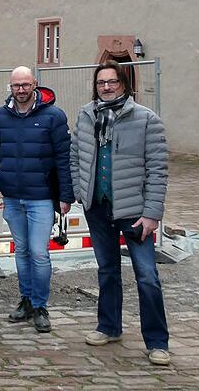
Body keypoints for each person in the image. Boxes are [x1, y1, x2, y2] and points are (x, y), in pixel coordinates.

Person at [70, 60, 170, 366]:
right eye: (101, 83)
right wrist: (80, 190)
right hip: (98, 207)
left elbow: (158, 170)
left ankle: (157, 341)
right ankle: (109, 326)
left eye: (112, 81)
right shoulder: (87, 116)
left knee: (147, 276)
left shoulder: (146, 119)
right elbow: (76, 155)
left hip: (134, 211)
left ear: (123, 84)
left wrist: (152, 214)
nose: (107, 87)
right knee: (107, 271)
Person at [0, 66, 73, 333]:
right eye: (16, 85)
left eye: (25, 84)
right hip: (12, 197)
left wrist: (65, 196)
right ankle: (25, 300)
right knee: (22, 252)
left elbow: (63, 158)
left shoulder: (54, 116)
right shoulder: (1, 116)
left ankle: (40, 305)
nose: (21, 90)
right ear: (10, 87)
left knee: (39, 253)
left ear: (35, 84)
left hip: (41, 198)